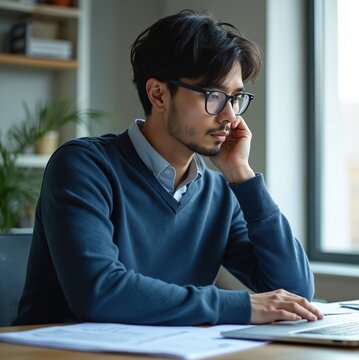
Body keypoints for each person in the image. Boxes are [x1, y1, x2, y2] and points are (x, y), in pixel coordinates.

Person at [14, 9, 322, 326]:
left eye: (236, 97)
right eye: (215, 96)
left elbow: (295, 291)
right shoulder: (84, 165)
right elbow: (99, 292)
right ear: (158, 94)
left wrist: (241, 176)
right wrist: (239, 306)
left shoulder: (220, 192)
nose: (231, 116)